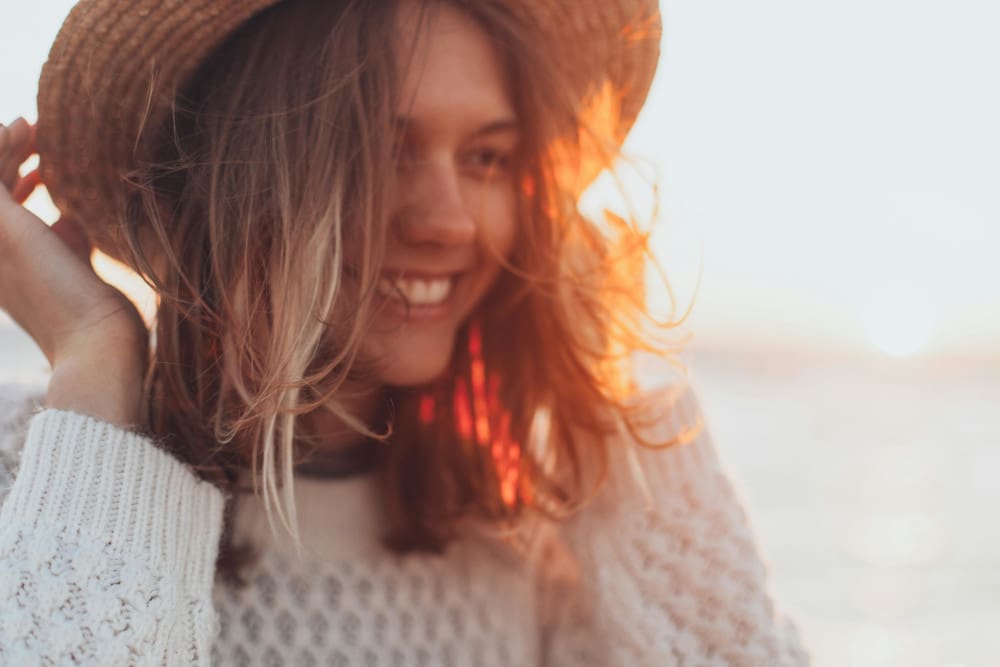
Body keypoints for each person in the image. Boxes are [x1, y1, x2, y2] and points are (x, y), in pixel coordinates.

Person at [0, 0, 810, 664]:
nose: (450, 221)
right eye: (380, 152)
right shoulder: (25, 482)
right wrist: (98, 357)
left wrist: (611, 421)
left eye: (488, 158)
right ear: (233, 175)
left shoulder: (534, 536)